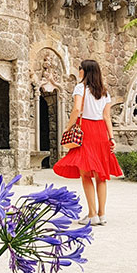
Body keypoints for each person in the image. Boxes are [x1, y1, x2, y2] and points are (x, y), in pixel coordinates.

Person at [53, 59, 122, 226]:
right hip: (101, 133)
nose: (79, 71)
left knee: (85, 175)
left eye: (80, 69)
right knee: (101, 176)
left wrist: (68, 127)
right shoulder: (104, 92)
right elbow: (107, 117)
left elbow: (77, 109)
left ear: (85, 71)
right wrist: (111, 138)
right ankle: (102, 214)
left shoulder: (80, 88)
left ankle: (92, 214)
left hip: (86, 131)